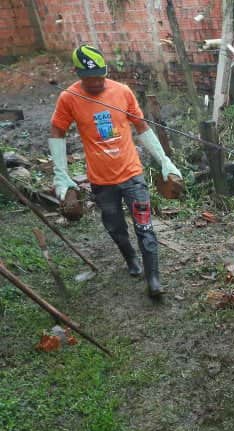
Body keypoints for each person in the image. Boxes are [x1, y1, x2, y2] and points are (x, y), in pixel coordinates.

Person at [50, 45, 183, 298]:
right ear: (77, 74)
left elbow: (142, 127)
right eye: (89, 79)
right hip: (101, 181)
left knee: (144, 226)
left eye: (100, 77)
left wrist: (165, 161)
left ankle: (153, 278)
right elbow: (57, 131)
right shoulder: (69, 98)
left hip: (132, 175)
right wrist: (61, 173)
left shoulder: (122, 92)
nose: (96, 83)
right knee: (115, 227)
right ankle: (130, 258)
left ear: (106, 70)